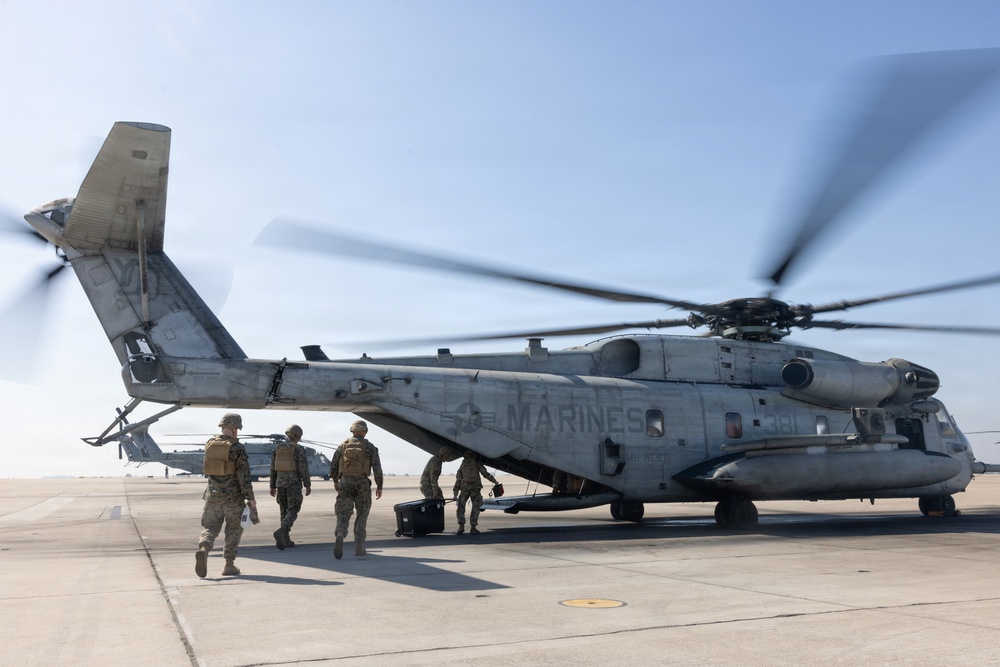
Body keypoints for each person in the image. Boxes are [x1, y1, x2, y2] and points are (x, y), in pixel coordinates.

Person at [195, 413, 256, 577]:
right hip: (233, 499)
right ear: (235, 428)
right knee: (233, 530)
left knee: (210, 527)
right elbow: (243, 476)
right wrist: (250, 498)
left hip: (213, 497)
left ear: (222, 427)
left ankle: (204, 548)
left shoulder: (210, 444)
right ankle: (229, 565)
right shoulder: (237, 448)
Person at [330, 420, 383, 559]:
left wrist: (335, 480)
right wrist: (379, 486)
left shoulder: (343, 446)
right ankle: (359, 546)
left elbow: (334, 465)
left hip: (345, 482)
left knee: (343, 512)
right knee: (362, 514)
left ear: (352, 431)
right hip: (362, 484)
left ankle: (340, 532)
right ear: (365, 431)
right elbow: (377, 469)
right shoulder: (370, 447)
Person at [270, 424, 312, 550]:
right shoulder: (298, 449)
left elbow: (273, 469)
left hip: (280, 485)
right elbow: (303, 468)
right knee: (293, 509)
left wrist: (272, 485)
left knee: (283, 511)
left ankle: (285, 540)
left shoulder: (277, 449)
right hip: (293, 485)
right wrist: (307, 484)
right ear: (296, 436)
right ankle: (282, 530)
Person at [452, 450, 498, 535]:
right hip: (475, 488)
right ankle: (473, 528)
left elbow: (458, 480)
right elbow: (485, 473)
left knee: (461, 507)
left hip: (465, 488)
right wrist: (494, 481)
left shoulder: (463, 465)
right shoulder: (477, 463)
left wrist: (455, 494)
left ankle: (461, 526)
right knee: (475, 508)